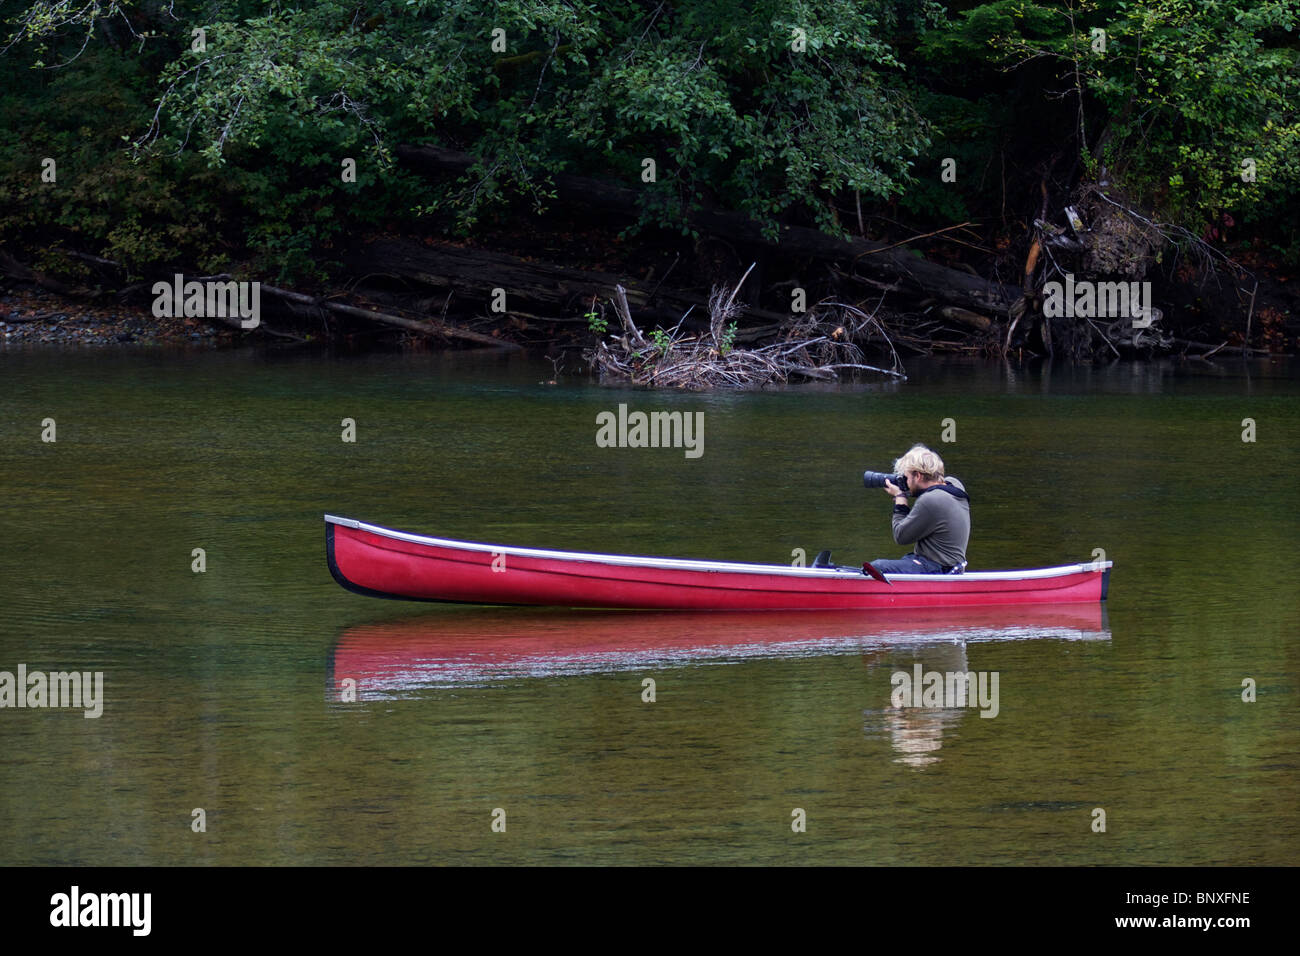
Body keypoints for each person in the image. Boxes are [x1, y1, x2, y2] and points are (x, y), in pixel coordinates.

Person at [870, 444, 970, 575]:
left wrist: (900, 499)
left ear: (918, 476)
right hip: (953, 566)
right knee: (906, 559)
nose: (904, 482)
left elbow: (901, 536)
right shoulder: (955, 485)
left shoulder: (930, 500)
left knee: (877, 567)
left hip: (938, 568)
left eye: (906, 477)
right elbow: (933, 484)